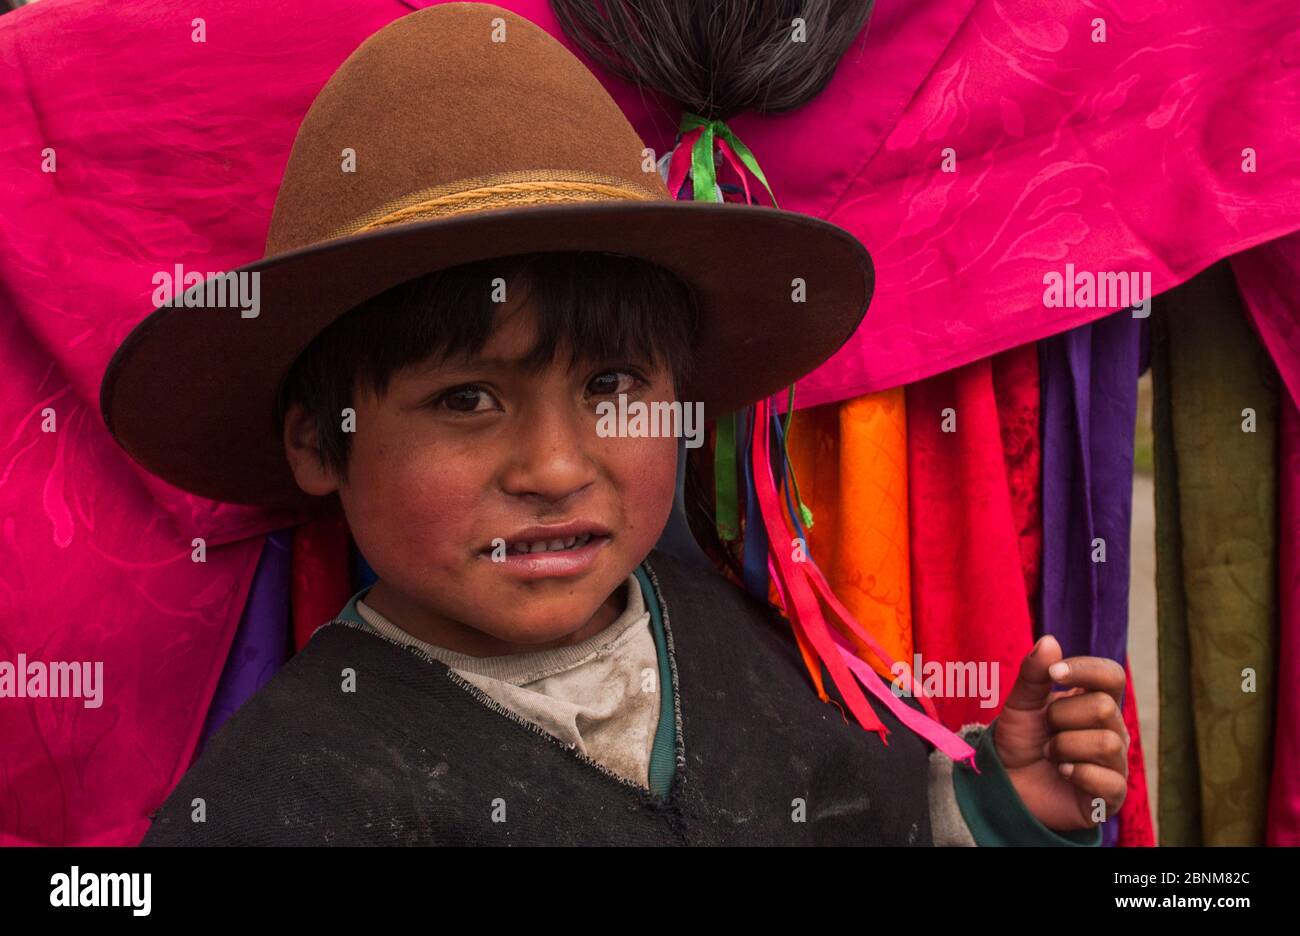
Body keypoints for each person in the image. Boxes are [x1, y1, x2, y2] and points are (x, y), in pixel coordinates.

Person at [100, 3, 1127, 845]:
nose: (554, 466)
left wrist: (994, 805)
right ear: (320, 443)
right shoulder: (279, 800)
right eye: (468, 400)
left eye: (611, 391)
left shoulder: (715, 632)